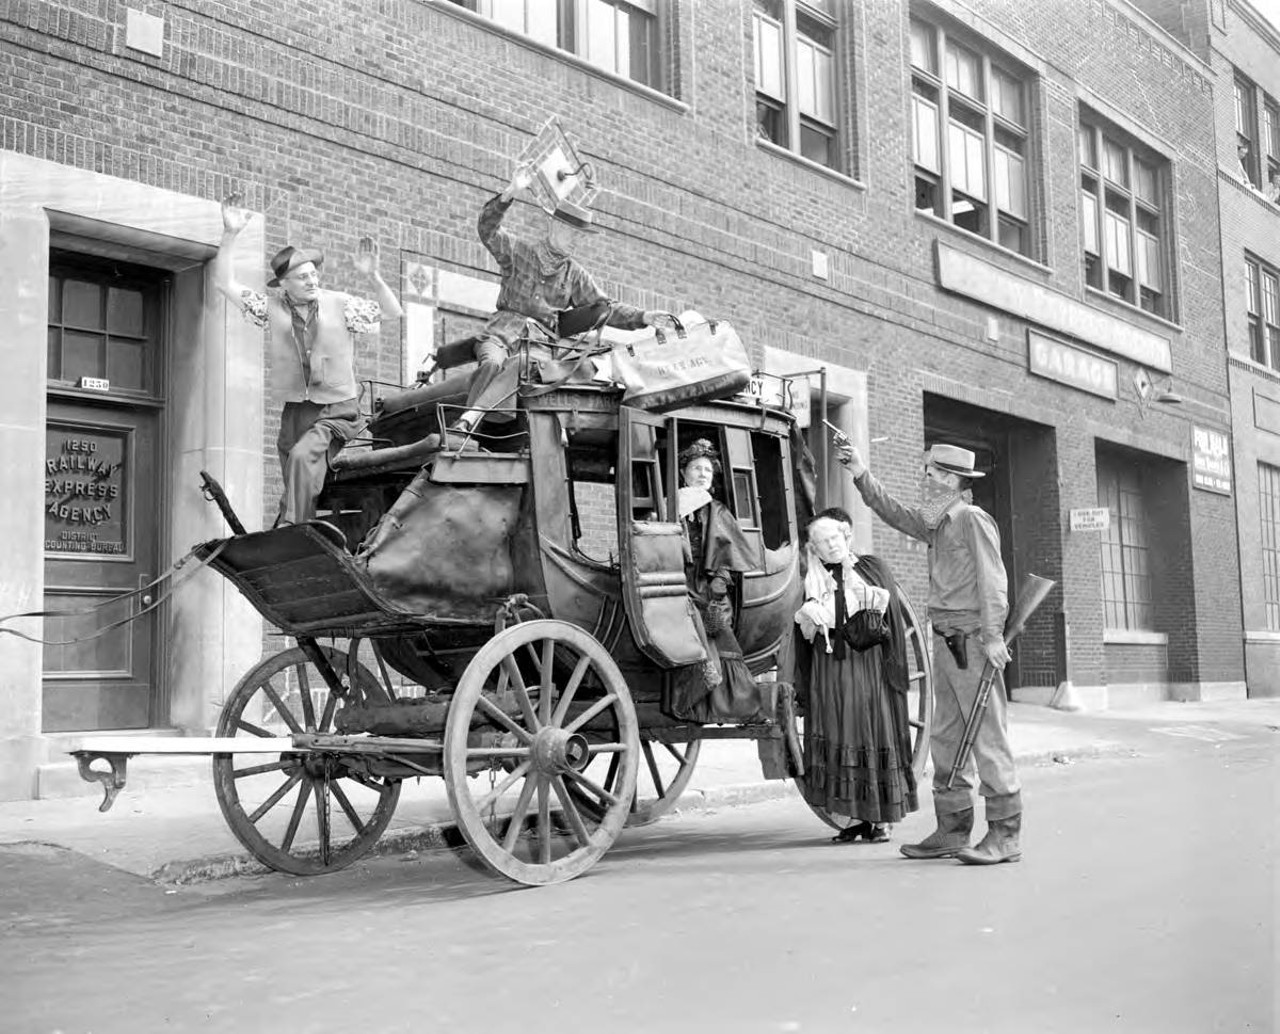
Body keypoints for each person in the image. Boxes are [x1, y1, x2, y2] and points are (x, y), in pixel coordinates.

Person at [836, 441, 1021, 866]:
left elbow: (994, 582)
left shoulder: (972, 519)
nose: (926, 480)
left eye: (932, 474)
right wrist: (861, 473)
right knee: (946, 736)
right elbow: (897, 514)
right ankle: (953, 830)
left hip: (973, 640)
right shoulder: (940, 521)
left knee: (988, 736)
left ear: (952, 480)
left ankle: (1006, 835)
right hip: (946, 640)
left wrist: (993, 637)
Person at [422, 165, 673, 452]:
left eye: (581, 237)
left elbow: (607, 308)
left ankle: (472, 421)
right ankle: (470, 431)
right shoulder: (519, 252)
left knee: (526, 367)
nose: (578, 242)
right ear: (556, 227)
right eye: (574, 234)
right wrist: (511, 193)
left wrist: (644, 317)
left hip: (539, 346)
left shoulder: (575, 274)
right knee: (491, 363)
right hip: (501, 335)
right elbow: (487, 230)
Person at [214, 193, 404, 526]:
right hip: (296, 411)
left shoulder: (340, 304)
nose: (312, 280)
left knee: (303, 458)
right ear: (284, 284)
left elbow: (392, 312)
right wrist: (230, 235)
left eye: (314, 274)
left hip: (337, 408)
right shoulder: (270, 308)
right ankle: (291, 527)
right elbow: (224, 283)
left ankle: (295, 530)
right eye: (303, 277)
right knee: (291, 470)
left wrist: (373, 277)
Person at [794, 510, 919, 843]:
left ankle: (881, 820)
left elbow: (886, 619)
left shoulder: (871, 568)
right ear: (814, 548)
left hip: (867, 665)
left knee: (867, 729)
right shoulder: (812, 578)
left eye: (834, 538)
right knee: (838, 731)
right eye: (821, 542)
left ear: (846, 537)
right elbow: (802, 633)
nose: (830, 546)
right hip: (829, 665)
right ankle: (853, 818)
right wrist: (810, 614)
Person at [668, 439, 764, 723]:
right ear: (684, 473)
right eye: (696, 468)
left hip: (710, 590)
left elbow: (729, 552)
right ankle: (693, 707)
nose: (702, 474)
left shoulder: (718, 511)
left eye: (707, 470)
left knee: (722, 642)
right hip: (677, 583)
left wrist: (720, 581)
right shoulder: (671, 505)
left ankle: (732, 705)